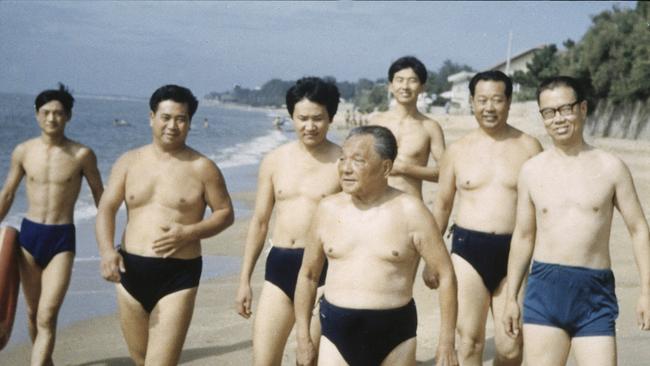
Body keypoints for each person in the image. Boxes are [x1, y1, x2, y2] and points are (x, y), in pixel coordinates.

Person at [503, 76, 650, 366]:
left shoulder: (611, 167)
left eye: (565, 109)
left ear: (583, 109)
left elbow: (639, 229)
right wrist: (511, 298)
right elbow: (523, 236)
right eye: (549, 112)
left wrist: (647, 291)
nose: (558, 118)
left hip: (594, 292)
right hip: (545, 288)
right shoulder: (532, 171)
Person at [294, 125, 458, 366]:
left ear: (386, 168)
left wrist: (446, 342)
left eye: (358, 161)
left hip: (394, 334)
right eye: (342, 159)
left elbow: (446, 276)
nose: (346, 168)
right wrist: (302, 337)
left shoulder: (411, 211)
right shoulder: (327, 210)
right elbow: (308, 275)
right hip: (336, 330)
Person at [95, 84, 234, 366]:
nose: (172, 125)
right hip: (129, 270)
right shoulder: (128, 162)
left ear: (189, 123)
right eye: (166, 117)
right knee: (141, 359)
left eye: (181, 119)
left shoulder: (202, 167)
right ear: (151, 117)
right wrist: (107, 251)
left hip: (177, 274)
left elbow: (225, 213)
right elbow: (106, 208)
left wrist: (189, 231)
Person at [426, 71, 542, 365]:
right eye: (482, 100)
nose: (489, 107)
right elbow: (441, 206)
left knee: (511, 344)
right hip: (468, 250)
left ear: (509, 102)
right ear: (471, 102)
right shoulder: (457, 150)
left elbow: (545, 207)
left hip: (514, 250)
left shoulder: (529, 147)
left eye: (497, 100)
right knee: (469, 342)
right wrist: (431, 258)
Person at [235, 77, 342, 365]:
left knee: (308, 359)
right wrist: (244, 279)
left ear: (330, 117)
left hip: (323, 270)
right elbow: (259, 222)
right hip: (279, 264)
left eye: (317, 118)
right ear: (291, 117)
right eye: (302, 118)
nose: (309, 126)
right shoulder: (273, 160)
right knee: (264, 360)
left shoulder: (342, 163)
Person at [0, 83, 104, 365]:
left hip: (61, 240)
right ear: (36, 114)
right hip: (29, 238)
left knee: (47, 314)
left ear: (68, 116)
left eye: (58, 113)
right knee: (33, 315)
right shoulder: (23, 151)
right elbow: (8, 193)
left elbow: (100, 197)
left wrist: (110, 241)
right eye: (45, 112)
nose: (51, 118)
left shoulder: (82, 155)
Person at [369, 56, 445, 199]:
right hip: (376, 206)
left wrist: (405, 169)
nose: (405, 87)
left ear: (422, 87)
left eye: (412, 81)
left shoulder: (430, 127)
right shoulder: (376, 122)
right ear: (390, 86)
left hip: (411, 207)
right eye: (400, 80)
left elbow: (446, 173)